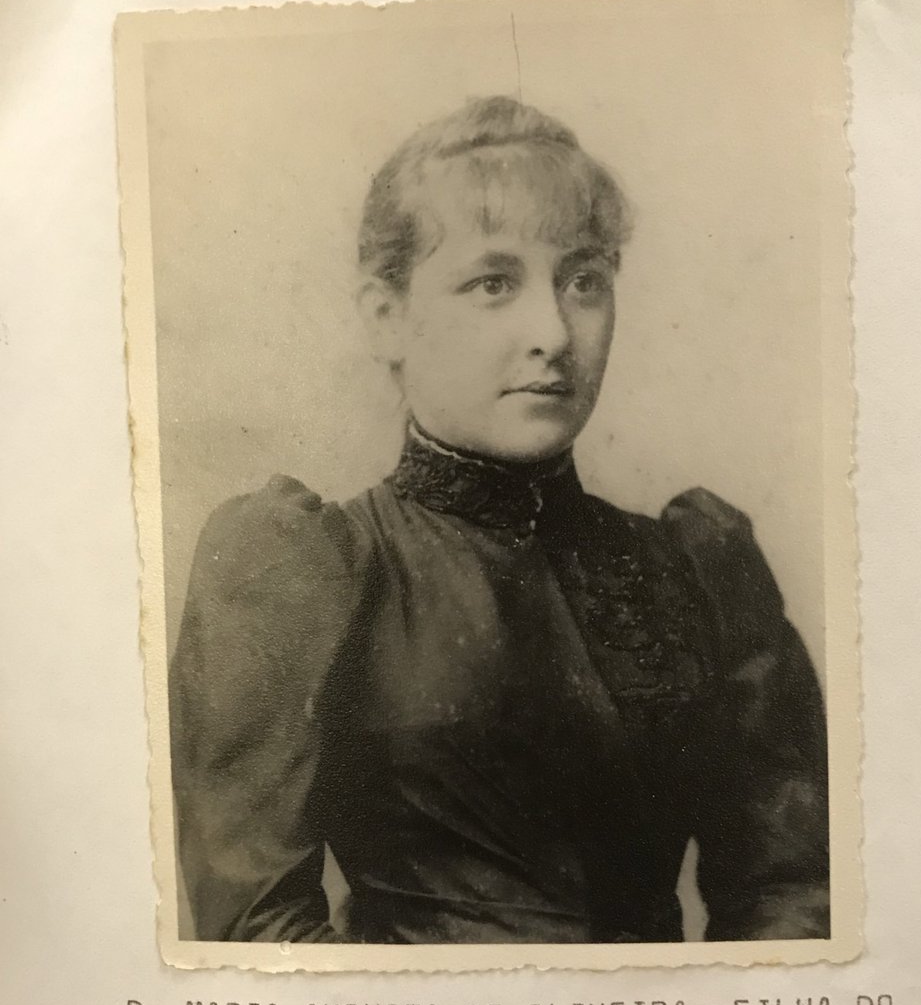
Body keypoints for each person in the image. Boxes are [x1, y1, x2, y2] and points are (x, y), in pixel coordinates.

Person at [169, 95, 829, 946]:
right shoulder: (308, 567)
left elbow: (792, 894)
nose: (552, 331)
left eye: (583, 282)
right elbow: (255, 935)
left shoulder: (697, 565)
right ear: (386, 317)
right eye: (493, 284)